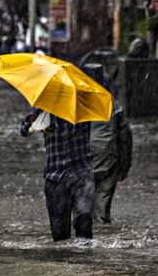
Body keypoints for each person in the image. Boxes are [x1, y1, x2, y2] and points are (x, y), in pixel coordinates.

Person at [21, 111, 96, 242]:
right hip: (56, 177)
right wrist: (34, 117)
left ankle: (83, 260)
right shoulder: (45, 111)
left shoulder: (83, 108)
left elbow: (24, 131)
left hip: (81, 174)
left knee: (84, 226)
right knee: (60, 235)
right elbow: (25, 130)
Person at [83, 64, 133, 224]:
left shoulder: (75, 102)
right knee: (102, 203)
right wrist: (124, 167)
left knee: (83, 205)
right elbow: (125, 138)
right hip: (107, 158)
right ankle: (102, 234)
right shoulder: (112, 103)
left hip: (81, 159)